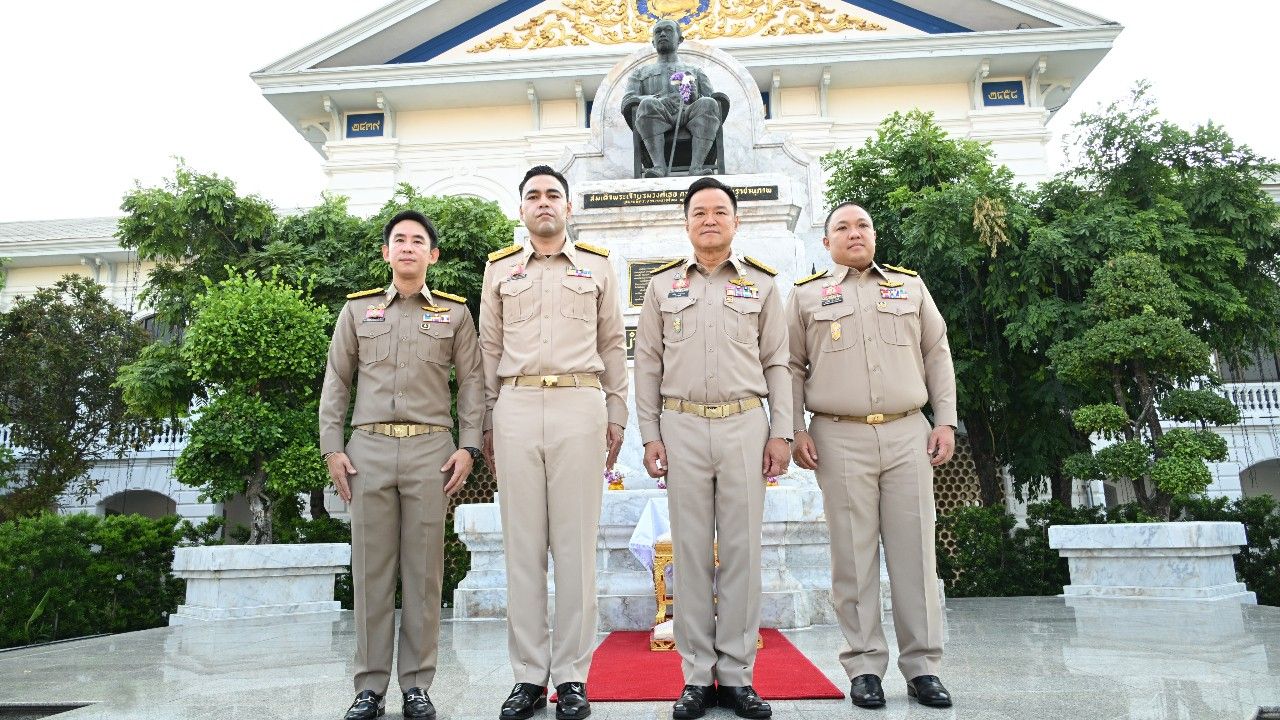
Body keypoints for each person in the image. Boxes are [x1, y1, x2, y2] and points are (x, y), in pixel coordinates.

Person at [786, 202, 957, 709]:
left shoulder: (910, 286)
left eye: (862, 225)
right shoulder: (805, 296)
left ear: (875, 235)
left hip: (908, 433)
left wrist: (944, 419)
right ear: (827, 241)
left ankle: (923, 668)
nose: (854, 233)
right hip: (839, 437)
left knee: (915, 555)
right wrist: (793, 429)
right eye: (842, 227)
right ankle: (863, 667)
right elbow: (790, 366)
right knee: (853, 558)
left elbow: (937, 353)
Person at [633, 176, 792, 720]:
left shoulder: (763, 286)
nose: (709, 220)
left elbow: (778, 362)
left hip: (745, 424)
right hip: (680, 427)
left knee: (744, 553)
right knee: (692, 555)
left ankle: (739, 675)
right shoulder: (661, 288)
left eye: (719, 211)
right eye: (698, 212)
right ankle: (697, 677)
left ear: (735, 221)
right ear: (686, 222)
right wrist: (650, 435)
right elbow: (648, 364)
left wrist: (782, 431)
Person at [319, 209, 484, 720]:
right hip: (367, 451)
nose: (408, 247)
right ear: (386, 253)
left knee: (423, 574)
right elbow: (336, 382)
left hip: (430, 453)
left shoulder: (455, 314)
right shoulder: (357, 312)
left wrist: (469, 447)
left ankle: (417, 685)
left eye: (418, 241)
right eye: (399, 240)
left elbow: (473, 384)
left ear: (432, 255)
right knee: (371, 573)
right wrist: (332, 447)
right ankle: (369, 687)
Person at [478, 165, 627, 720]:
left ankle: (570, 678)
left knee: (575, 551)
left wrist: (616, 413)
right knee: (521, 551)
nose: (544, 203)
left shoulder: (598, 267)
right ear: (521, 210)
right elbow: (487, 353)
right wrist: (487, 423)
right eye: (534, 196)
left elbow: (613, 344)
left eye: (553, 195)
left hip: (579, 404)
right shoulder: (498, 272)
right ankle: (528, 678)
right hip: (515, 406)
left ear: (568, 209)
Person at [622, 19, 724, 177]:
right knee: (647, 103)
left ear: (680, 39)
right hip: (658, 114)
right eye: (658, 32)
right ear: (653, 42)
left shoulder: (694, 70)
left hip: (689, 113)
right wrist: (656, 99)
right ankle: (658, 167)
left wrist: (694, 96)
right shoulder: (640, 72)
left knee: (708, 103)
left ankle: (697, 167)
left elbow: (711, 100)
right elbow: (628, 101)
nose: (662, 34)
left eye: (668, 30)